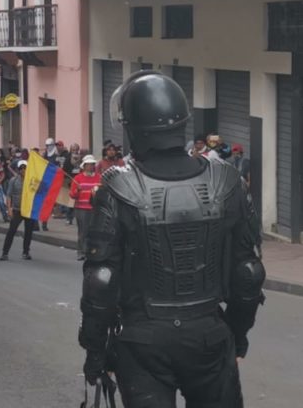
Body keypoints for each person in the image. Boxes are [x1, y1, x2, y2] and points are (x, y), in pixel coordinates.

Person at [80, 71, 264, 407]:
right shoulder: (226, 180)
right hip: (208, 332)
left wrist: (95, 351)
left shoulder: (118, 188)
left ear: (132, 126)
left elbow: (101, 281)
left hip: (142, 340)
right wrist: (237, 336)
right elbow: (248, 273)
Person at [0, 160, 34, 261]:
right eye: (21, 168)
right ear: (18, 170)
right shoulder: (13, 180)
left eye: (25, 168)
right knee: (11, 231)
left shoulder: (32, 180)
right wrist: (9, 209)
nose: (23, 170)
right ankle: (5, 253)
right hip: (17, 209)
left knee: (28, 232)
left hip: (28, 210)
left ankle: (26, 252)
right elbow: (9, 195)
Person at [69, 155, 101, 261]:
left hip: (95, 208)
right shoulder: (78, 178)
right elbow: (72, 195)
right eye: (89, 165)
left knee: (94, 231)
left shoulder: (99, 177)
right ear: (84, 166)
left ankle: (91, 251)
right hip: (81, 208)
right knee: (83, 231)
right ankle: (81, 251)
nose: (91, 166)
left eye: (92, 164)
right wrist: (78, 190)